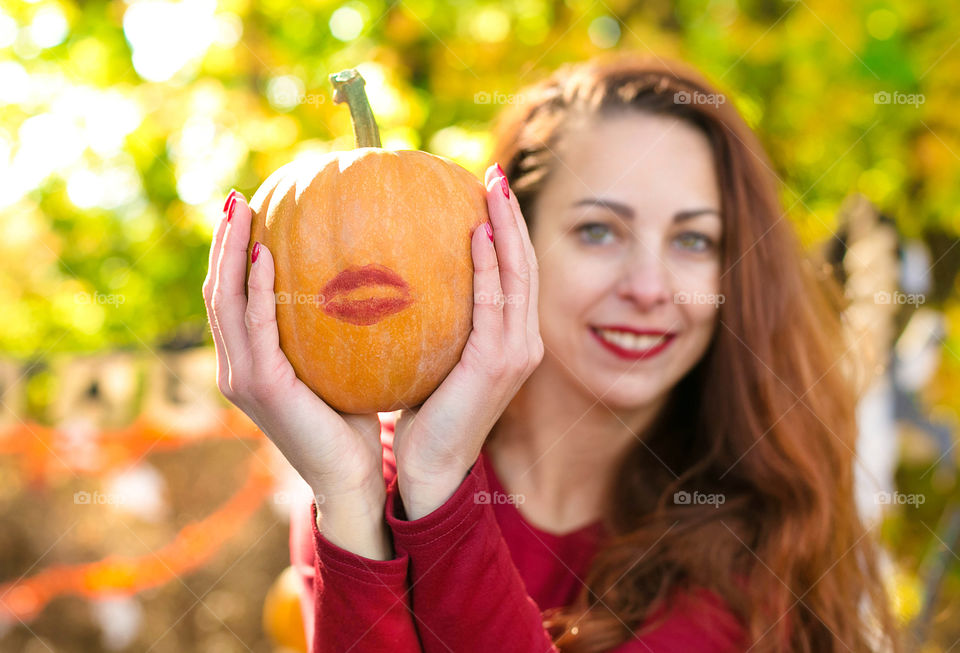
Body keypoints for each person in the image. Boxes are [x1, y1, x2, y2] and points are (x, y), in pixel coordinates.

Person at [203, 53, 902, 653]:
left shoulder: (759, 529)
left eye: (694, 240)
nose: (650, 288)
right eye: (599, 230)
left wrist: (443, 487)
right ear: (511, 245)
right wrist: (349, 499)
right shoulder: (362, 481)